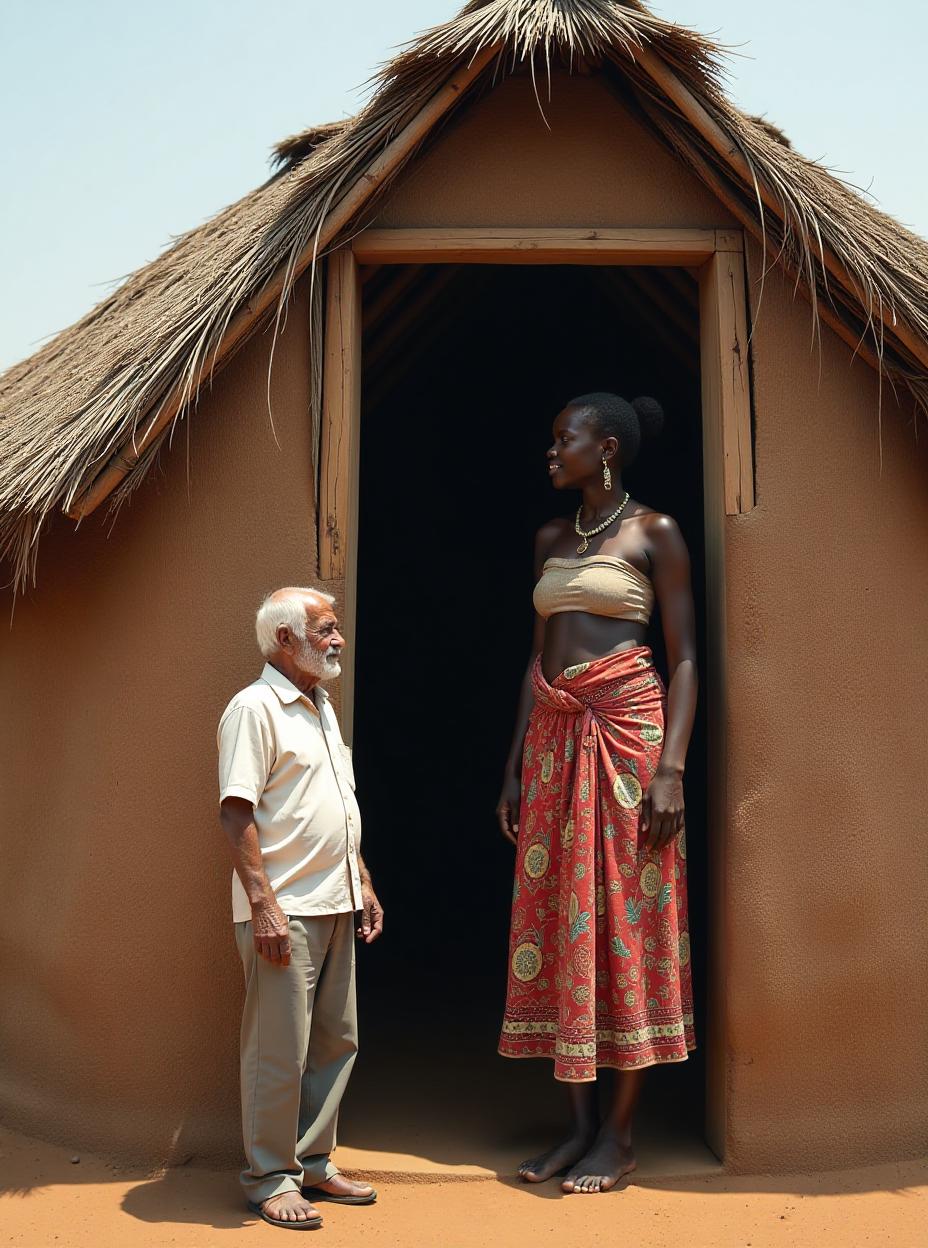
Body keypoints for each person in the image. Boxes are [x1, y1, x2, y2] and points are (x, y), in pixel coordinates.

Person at [496, 393, 697, 1195]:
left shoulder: (657, 534)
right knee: (557, 911)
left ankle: (619, 1134)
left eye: (562, 440)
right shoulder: (550, 538)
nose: (551, 453)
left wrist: (673, 768)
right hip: (553, 741)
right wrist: (513, 764)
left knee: (628, 913)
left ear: (605, 447)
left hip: (628, 739)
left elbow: (682, 658)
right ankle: (577, 1128)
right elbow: (535, 661)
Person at [218, 586, 383, 1230]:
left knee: (336, 1040)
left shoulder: (321, 708)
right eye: (325, 629)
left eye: (337, 628)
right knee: (277, 1048)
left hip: (335, 899)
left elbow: (339, 807)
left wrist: (362, 881)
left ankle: (313, 1164)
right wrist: (263, 904)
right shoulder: (253, 709)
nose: (337, 639)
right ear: (284, 640)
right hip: (283, 909)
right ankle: (269, 1176)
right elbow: (237, 812)